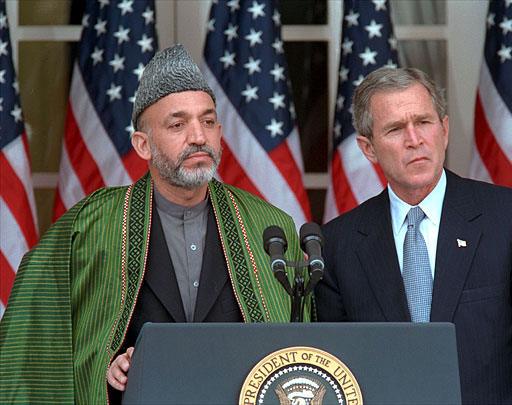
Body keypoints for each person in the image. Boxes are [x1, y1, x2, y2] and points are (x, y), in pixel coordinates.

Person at [0, 44, 311, 404]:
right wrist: (102, 366)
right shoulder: (89, 228)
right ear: (143, 145)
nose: (198, 136)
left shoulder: (267, 226)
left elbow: (300, 350)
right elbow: (36, 344)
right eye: (177, 124)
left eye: (207, 122)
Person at [315, 67, 512, 403]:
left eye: (423, 122)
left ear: (445, 129)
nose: (414, 139)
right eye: (395, 129)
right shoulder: (338, 244)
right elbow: (336, 371)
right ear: (368, 149)